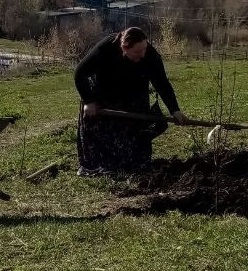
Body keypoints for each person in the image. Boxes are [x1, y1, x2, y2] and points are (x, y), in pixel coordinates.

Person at [74, 26, 188, 174]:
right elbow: (79, 73)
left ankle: (132, 162)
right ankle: (98, 165)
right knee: (102, 136)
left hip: (135, 98)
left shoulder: (150, 55)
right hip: (105, 97)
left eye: (144, 49)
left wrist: (175, 110)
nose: (142, 55)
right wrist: (89, 101)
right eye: (137, 52)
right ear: (124, 48)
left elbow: (162, 83)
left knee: (136, 147)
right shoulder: (106, 48)